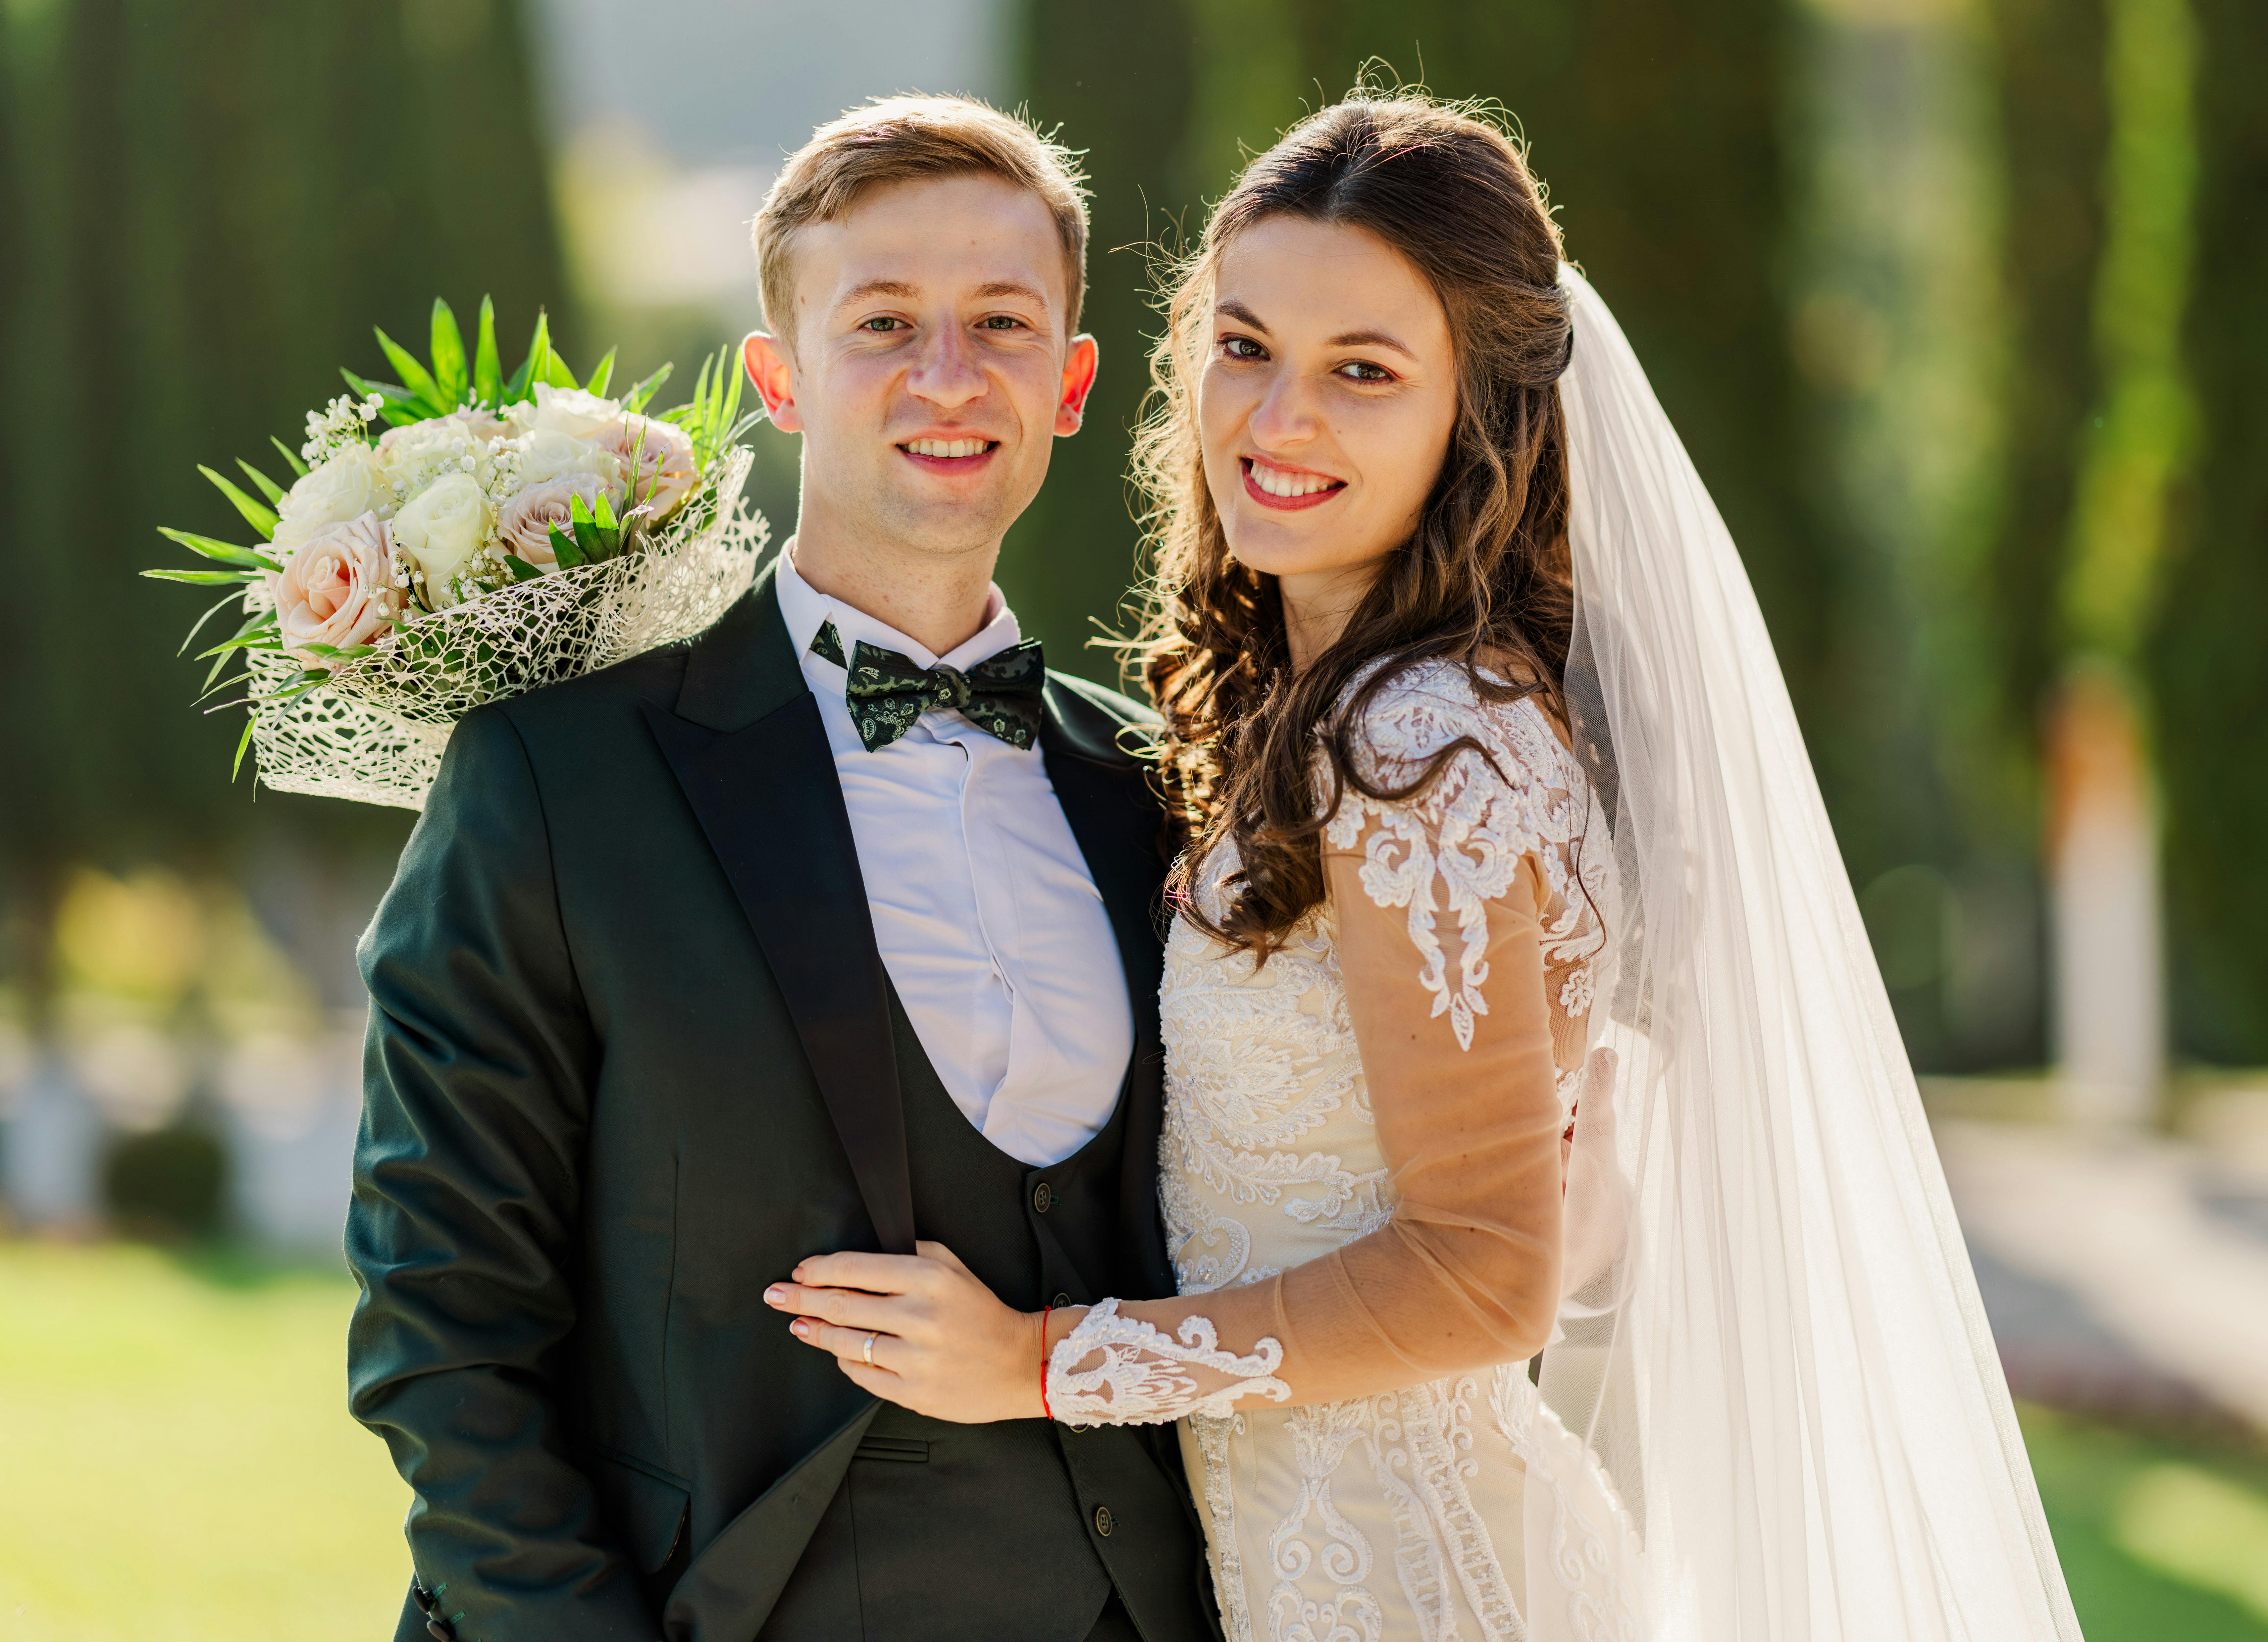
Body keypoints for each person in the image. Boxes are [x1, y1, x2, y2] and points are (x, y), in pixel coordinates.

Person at [767, 94, 2087, 1641]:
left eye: (1364, 372)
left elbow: (1483, 1272)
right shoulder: (1343, 709)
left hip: (1405, 1578)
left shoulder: (1422, 747)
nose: (1278, 420)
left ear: (1479, 412)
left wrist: (1044, 1362)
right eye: (1245, 346)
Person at [345, 93, 1217, 1642]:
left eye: (1000, 324)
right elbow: (444, 1329)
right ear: (779, 378)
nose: (946, 376)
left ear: (1072, 382)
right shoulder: (554, 784)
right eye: (882, 321)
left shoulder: (1171, 793)